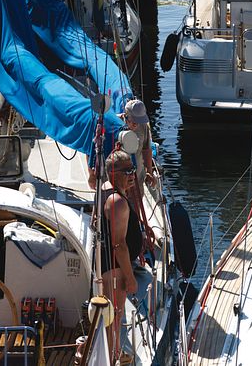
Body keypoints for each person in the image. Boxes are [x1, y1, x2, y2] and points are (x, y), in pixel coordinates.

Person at [100, 149, 141, 365]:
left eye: (133, 169)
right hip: (115, 269)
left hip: (113, 267)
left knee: (113, 316)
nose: (133, 174)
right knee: (113, 317)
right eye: (128, 170)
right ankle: (111, 357)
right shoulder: (117, 201)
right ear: (113, 173)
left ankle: (115, 352)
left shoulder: (108, 190)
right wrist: (130, 277)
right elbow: (119, 244)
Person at [121, 99, 155, 189]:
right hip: (119, 177)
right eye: (134, 121)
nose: (137, 124)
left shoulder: (144, 126)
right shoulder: (116, 124)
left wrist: (149, 172)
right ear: (126, 116)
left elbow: (146, 149)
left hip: (137, 176)